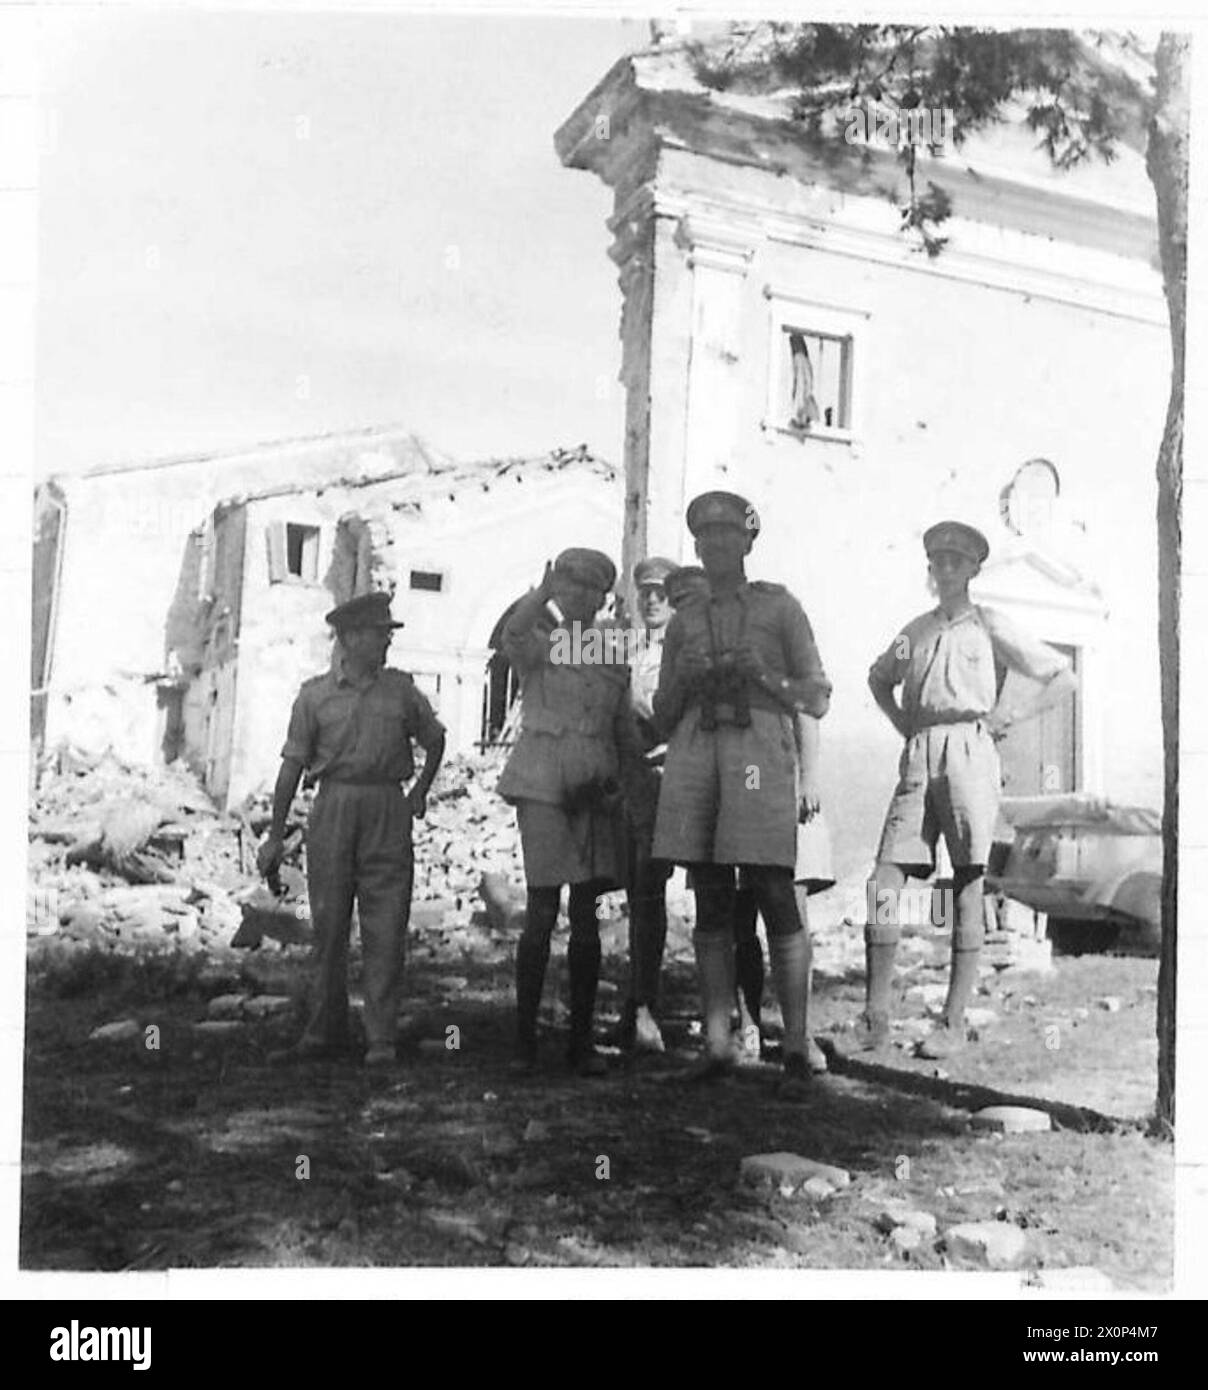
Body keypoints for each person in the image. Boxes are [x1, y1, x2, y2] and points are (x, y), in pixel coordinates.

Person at [858, 521, 1078, 1059]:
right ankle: (875, 1017)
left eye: (957, 561)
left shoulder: (991, 624)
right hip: (920, 751)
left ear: (973, 570)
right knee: (884, 880)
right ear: (930, 568)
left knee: (967, 881)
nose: (946, 569)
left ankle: (952, 1021)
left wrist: (1009, 716)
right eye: (939, 561)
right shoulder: (915, 630)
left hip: (971, 752)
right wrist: (904, 725)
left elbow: (1062, 676)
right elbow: (879, 678)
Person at [653, 491, 832, 1094]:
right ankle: (717, 1044)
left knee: (772, 887)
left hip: (757, 755)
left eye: (727, 535)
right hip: (697, 753)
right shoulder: (683, 622)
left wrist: (765, 675)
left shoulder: (780, 609)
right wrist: (685, 680)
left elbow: (817, 695)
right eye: (705, 538)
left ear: (748, 542)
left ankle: (797, 1045)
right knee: (708, 893)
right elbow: (661, 715)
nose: (715, 546)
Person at [257, 591, 446, 1067]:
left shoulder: (401, 691)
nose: (386, 641)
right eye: (378, 633)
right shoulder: (314, 696)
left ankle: (381, 1036)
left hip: (386, 806)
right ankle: (324, 1031)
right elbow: (292, 766)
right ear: (350, 637)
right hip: (334, 806)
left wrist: (420, 791)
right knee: (328, 922)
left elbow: (435, 739)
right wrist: (275, 835)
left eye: (387, 633)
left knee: (386, 924)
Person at [497, 548, 642, 1077]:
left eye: (590, 588)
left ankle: (580, 1044)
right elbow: (512, 635)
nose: (580, 596)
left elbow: (622, 726)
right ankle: (524, 1042)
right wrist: (539, 594)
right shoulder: (541, 641)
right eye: (570, 585)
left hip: (594, 789)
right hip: (542, 784)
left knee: (586, 913)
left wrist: (629, 783)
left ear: (603, 597)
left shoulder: (610, 649)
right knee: (541, 908)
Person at [731, 711, 834, 1071]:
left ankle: (799, 1034)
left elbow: (807, 709)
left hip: (782, 773)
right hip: (739, 770)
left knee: (792, 911)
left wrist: (809, 778)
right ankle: (748, 1026)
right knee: (739, 912)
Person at [620, 555, 678, 1054]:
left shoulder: (683, 653)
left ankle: (738, 1020)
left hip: (672, 778)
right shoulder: (629, 649)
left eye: (662, 592)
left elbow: (667, 717)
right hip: (633, 782)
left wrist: (635, 704)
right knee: (639, 893)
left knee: (712, 893)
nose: (653, 600)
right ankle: (638, 1006)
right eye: (646, 593)